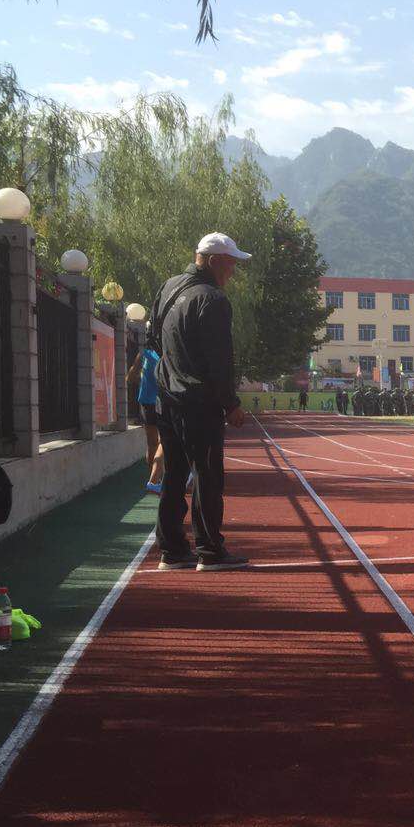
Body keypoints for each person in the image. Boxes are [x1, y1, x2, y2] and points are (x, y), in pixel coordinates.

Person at [147, 232, 252, 572]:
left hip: (167, 397)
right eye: (231, 263)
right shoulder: (214, 300)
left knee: (175, 475)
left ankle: (172, 550)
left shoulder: (168, 289)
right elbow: (219, 360)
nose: (233, 271)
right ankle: (210, 550)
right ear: (213, 261)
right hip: (199, 400)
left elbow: (152, 338)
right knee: (207, 474)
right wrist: (230, 403)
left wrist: (174, 367)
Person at [125, 339, 165, 494]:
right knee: (165, 441)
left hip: (146, 402)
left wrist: (144, 380)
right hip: (162, 401)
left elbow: (130, 377)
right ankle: (155, 479)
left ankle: (152, 480)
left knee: (152, 443)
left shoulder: (143, 354)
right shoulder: (167, 353)